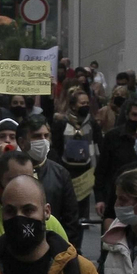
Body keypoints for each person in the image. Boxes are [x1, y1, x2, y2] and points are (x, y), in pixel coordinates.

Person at [23, 115, 82, 250]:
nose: (43, 141)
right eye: (37, 136)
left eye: (46, 136)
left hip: (53, 246)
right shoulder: (10, 171)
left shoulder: (60, 174)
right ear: (22, 142)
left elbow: (71, 219)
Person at [50, 91, 98, 228]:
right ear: (73, 105)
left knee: (84, 197)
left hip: (86, 167)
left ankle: (84, 220)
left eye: (87, 103)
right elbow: (57, 146)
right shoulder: (61, 123)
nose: (85, 105)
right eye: (82, 103)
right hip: (67, 166)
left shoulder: (92, 123)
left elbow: (97, 143)